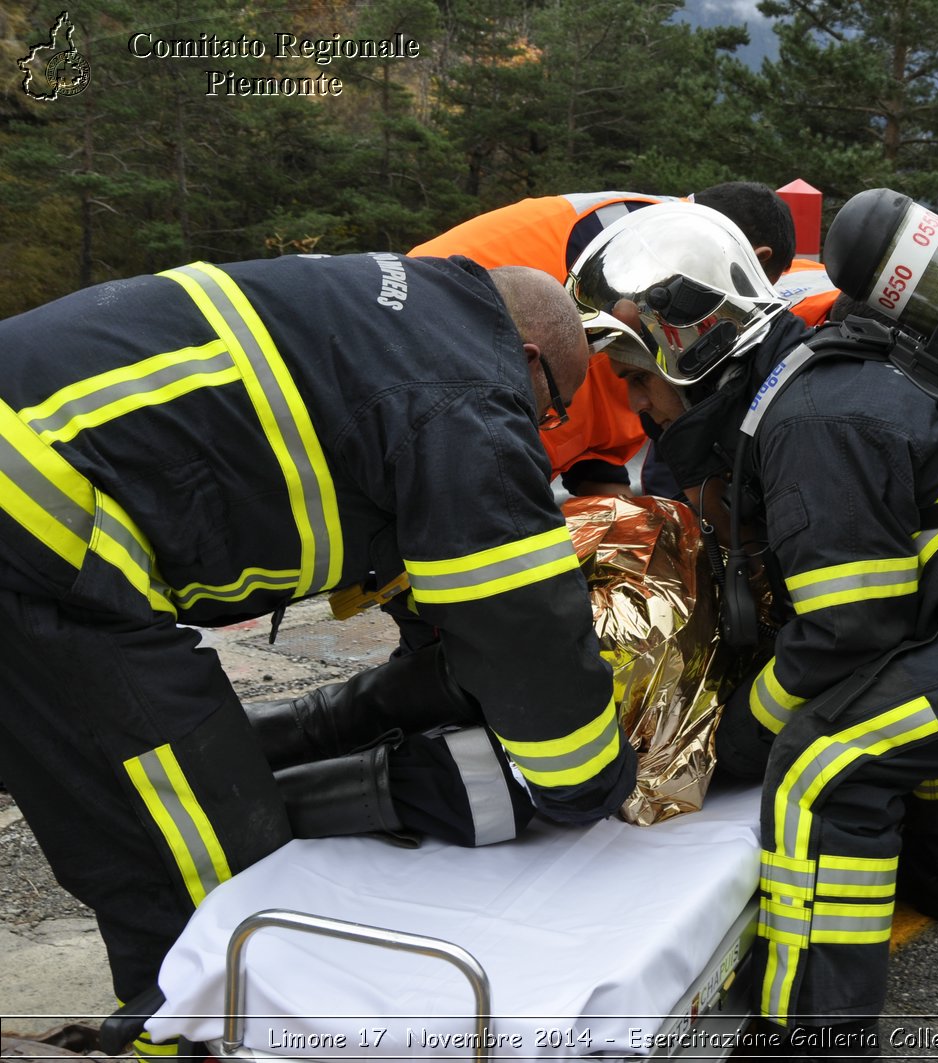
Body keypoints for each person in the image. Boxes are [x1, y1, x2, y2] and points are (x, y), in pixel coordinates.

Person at [571, 202, 938, 1058]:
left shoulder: (811, 422)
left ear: (687, 345)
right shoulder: (810, 378)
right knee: (902, 705)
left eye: (636, 377)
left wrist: (732, 740)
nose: (636, 406)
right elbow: (882, 626)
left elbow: (849, 632)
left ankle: (813, 1032)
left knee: (825, 762)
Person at [0, 253, 638, 1013]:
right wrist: (588, 779)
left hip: (38, 506)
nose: (542, 429)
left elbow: (406, 537)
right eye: (550, 409)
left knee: (134, 781)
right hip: (37, 530)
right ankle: (198, 1028)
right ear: (530, 358)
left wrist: (429, 654)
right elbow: (519, 619)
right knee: (201, 847)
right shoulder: (464, 390)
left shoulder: (403, 313)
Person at [411, 183, 813, 498]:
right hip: (440, 385)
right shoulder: (640, 252)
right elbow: (625, 372)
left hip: (428, 359)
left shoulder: (634, 224)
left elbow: (599, 386)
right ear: (752, 259)